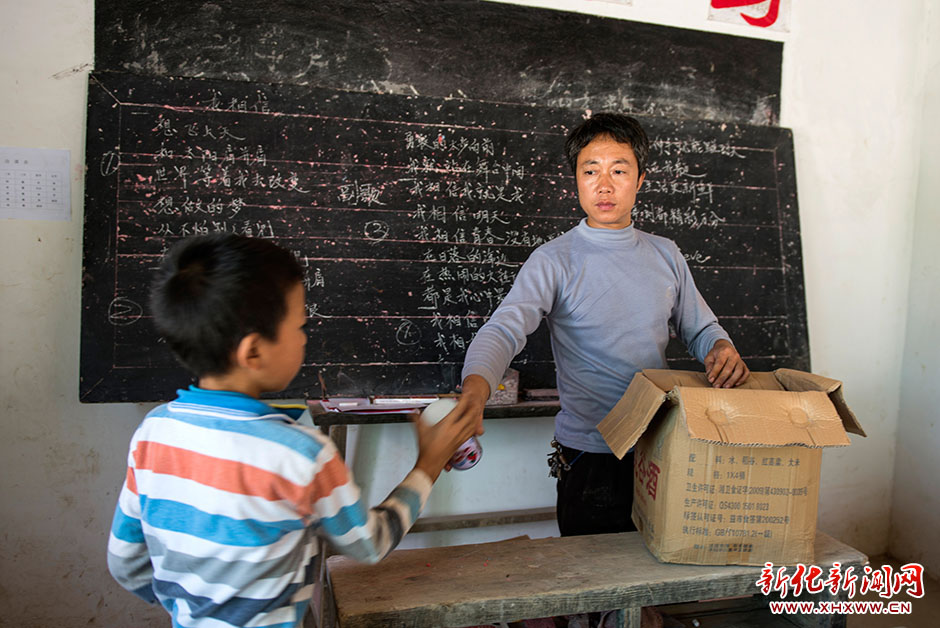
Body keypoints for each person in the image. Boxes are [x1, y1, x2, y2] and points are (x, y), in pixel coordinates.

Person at [107, 234, 478, 628]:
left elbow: (126, 564)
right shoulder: (300, 454)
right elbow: (369, 544)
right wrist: (428, 466)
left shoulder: (153, 433)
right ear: (253, 351)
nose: (304, 337)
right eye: (299, 326)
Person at [453, 112, 749, 537]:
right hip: (591, 454)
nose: (604, 185)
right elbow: (505, 329)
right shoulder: (555, 259)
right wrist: (475, 390)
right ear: (575, 179)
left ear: (640, 180)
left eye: (618, 170)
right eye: (590, 171)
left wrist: (719, 347)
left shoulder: (666, 254)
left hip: (660, 442)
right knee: (593, 583)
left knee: (655, 568)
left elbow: (700, 328)